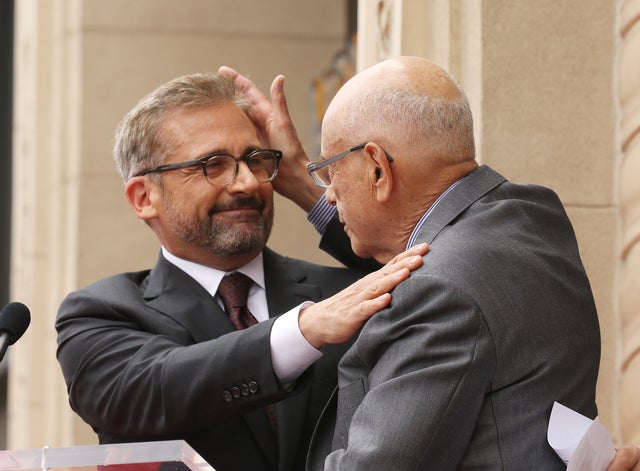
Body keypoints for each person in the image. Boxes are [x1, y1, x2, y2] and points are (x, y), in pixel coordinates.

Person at [221, 57, 603, 469]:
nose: (328, 196)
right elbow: (429, 250)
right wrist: (302, 182)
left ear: (378, 169)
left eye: (330, 173)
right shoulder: (534, 215)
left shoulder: (437, 290)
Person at [54, 72, 428, 471]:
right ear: (145, 197)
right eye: (213, 165)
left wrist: (302, 179)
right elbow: (158, 388)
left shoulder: (351, 293)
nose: (248, 182)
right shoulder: (100, 314)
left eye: (255, 160)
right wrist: (303, 331)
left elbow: (437, 255)